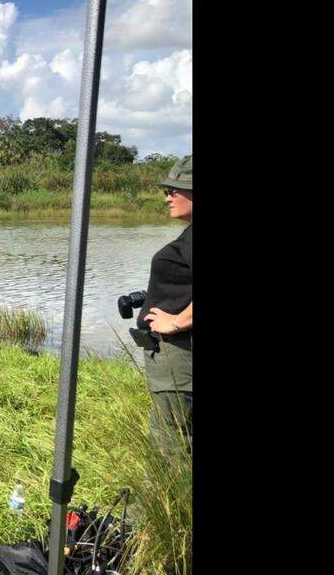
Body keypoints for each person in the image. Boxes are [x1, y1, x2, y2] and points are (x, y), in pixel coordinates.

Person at [138, 155, 193, 457]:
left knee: (171, 449)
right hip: (176, 364)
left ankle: (168, 505)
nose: (167, 197)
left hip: (180, 363)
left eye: (175, 190)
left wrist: (177, 321)